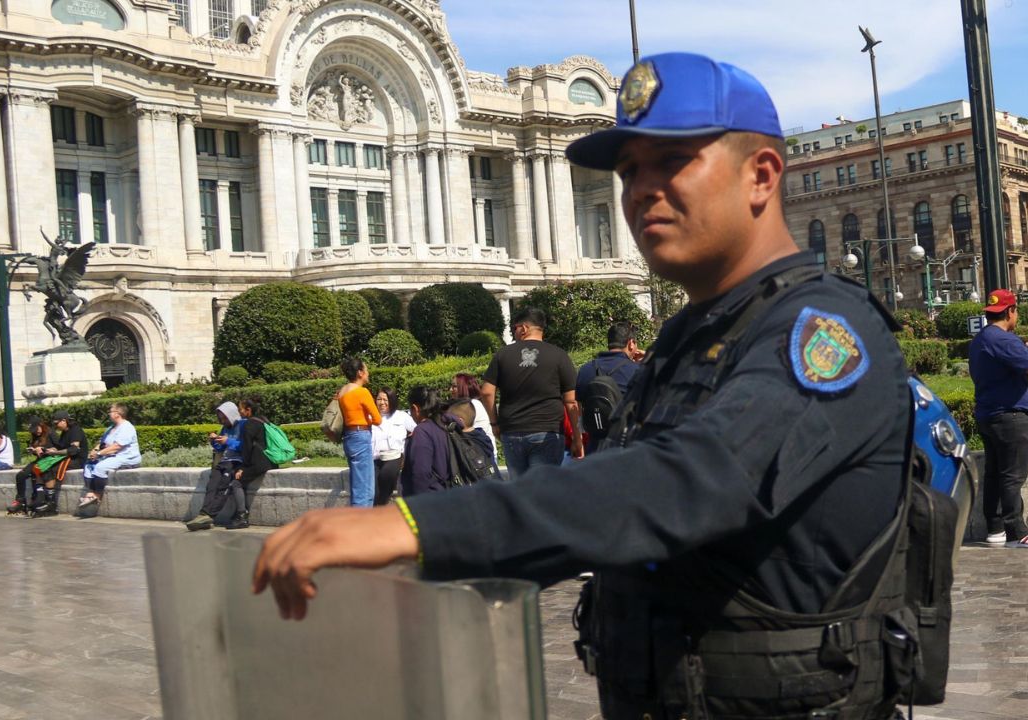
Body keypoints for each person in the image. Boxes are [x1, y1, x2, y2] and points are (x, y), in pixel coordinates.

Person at [254, 53, 917, 719]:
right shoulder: (692, 338)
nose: (640, 190)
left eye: (672, 162)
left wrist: (419, 525)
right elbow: (611, 511)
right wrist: (419, 575)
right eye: (629, 171)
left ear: (761, 175)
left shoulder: (824, 333)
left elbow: (688, 482)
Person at [969, 288, 1028, 549]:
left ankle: (995, 529)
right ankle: (1018, 532)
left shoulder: (981, 338)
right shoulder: (1004, 339)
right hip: (1010, 415)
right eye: (1016, 311)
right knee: (1012, 475)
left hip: (989, 414)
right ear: (1010, 311)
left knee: (994, 473)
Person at [480, 307, 581, 479]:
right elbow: (571, 402)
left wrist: (495, 424)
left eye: (514, 328)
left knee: (521, 491)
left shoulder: (503, 354)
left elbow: (486, 392)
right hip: (548, 431)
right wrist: (577, 438)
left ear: (524, 328)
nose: (514, 333)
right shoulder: (559, 355)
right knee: (543, 490)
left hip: (512, 431)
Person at [574, 322, 643, 454]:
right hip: (628, 448)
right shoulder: (638, 371)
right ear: (631, 343)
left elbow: (580, 410)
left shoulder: (586, 369)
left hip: (595, 448)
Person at [186, 401, 246, 531]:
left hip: (236, 462)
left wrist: (228, 441)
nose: (223, 421)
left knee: (223, 486)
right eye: (221, 418)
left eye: (225, 417)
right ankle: (203, 514)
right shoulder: (225, 428)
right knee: (212, 485)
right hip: (224, 461)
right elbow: (220, 448)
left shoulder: (243, 425)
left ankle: (209, 515)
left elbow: (246, 446)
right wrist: (214, 441)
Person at [225, 396, 277, 529]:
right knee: (242, 479)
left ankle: (242, 516)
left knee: (236, 482)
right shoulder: (262, 420)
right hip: (270, 460)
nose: (239, 412)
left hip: (258, 463)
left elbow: (246, 448)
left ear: (248, 410)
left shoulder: (248, 425)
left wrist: (242, 467)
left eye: (240, 409)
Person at [336, 356, 381, 508]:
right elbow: (377, 419)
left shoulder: (342, 392)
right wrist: (366, 420)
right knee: (365, 488)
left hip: (349, 437)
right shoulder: (362, 392)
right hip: (361, 436)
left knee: (358, 483)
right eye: (366, 370)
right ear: (360, 373)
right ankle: (360, 524)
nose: (368, 373)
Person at [79, 403, 142, 509]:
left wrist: (99, 454)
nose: (109, 414)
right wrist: (94, 451)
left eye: (111, 411)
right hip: (111, 457)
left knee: (100, 467)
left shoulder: (127, 427)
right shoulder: (110, 428)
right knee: (89, 465)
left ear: (118, 414)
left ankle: (97, 495)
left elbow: (117, 447)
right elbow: (102, 444)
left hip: (126, 457)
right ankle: (90, 494)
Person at [29, 409, 87, 517]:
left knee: (49, 468)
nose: (55, 426)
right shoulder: (64, 432)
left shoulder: (75, 430)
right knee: (39, 467)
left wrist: (56, 452)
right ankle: (42, 498)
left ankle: (51, 504)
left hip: (76, 460)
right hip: (65, 457)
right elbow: (60, 447)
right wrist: (45, 449)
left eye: (57, 423)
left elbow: (74, 449)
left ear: (64, 421)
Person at [399, 387, 450, 497]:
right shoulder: (445, 425)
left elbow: (420, 473)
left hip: (429, 499)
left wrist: (419, 504)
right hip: (447, 493)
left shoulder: (422, 432)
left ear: (415, 409)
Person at [370, 387, 415, 506]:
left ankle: (381, 504)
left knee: (387, 473)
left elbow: (416, 430)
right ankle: (378, 507)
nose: (382, 402)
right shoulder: (370, 417)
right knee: (373, 487)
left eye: (386, 399)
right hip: (375, 457)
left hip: (394, 456)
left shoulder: (401, 416)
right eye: (379, 399)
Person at [8, 418, 57, 515]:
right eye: (34, 431)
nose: (36, 432)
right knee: (20, 475)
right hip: (40, 460)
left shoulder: (51, 433)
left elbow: (59, 449)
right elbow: (36, 451)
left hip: (49, 461)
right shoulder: (35, 436)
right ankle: (20, 502)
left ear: (41, 425)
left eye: (37, 429)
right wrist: (33, 450)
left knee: (37, 472)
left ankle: (42, 500)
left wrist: (44, 449)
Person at [450, 373, 496, 460]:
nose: (450, 389)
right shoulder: (467, 404)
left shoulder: (473, 404)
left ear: (464, 387)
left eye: (454, 386)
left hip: (482, 456)